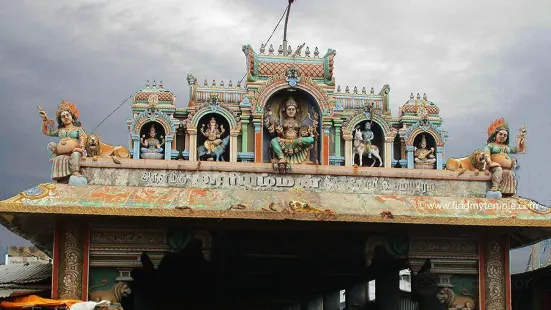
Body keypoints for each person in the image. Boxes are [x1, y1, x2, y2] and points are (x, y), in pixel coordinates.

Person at [38, 101, 86, 180]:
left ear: (72, 117)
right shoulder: (60, 130)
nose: (66, 117)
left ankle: (75, 172)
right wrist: (44, 120)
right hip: (60, 152)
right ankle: (60, 175)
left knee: (76, 154)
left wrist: (82, 147)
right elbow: (46, 132)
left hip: (75, 150)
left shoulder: (78, 129)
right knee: (51, 144)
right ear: (61, 120)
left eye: (67, 115)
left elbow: (82, 138)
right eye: (63, 116)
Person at [266, 97, 315, 164]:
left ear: (296, 110)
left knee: (311, 139)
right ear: (285, 110)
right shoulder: (280, 122)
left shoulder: (299, 123)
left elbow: (304, 132)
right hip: (284, 142)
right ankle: (281, 158)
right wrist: (280, 132)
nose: (291, 111)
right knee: (274, 141)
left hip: (296, 142)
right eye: (289, 109)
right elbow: (272, 131)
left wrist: (308, 132)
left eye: (293, 109)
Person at [484, 118, 526, 196]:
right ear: (495, 135)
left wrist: (522, 138)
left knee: (510, 173)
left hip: (506, 168)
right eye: (500, 134)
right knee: (498, 169)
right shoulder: (490, 145)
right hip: (494, 166)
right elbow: (486, 154)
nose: (502, 136)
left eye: (505, 135)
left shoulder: (507, 147)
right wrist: (490, 162)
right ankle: (495, 187)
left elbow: (520, 149)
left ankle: (508, 192)